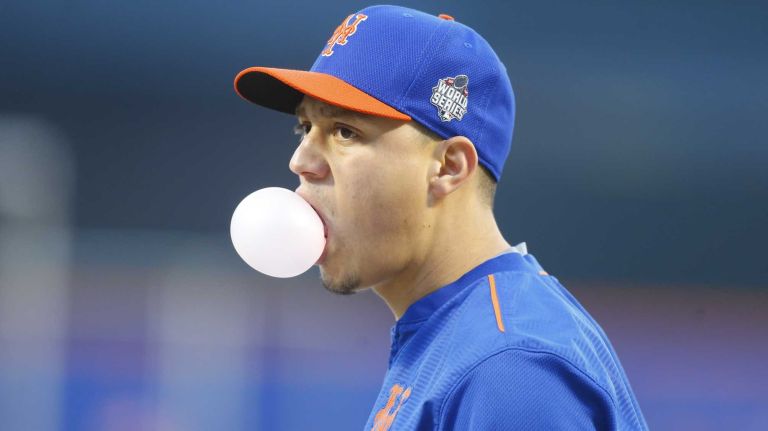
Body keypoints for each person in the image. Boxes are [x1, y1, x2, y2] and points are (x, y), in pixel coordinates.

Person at [234, 5, 648, 430]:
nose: (300, 161)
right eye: (305, 128)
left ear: (449, 167)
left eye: (345, 131)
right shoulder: (458, 336)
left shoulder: (509, 368)